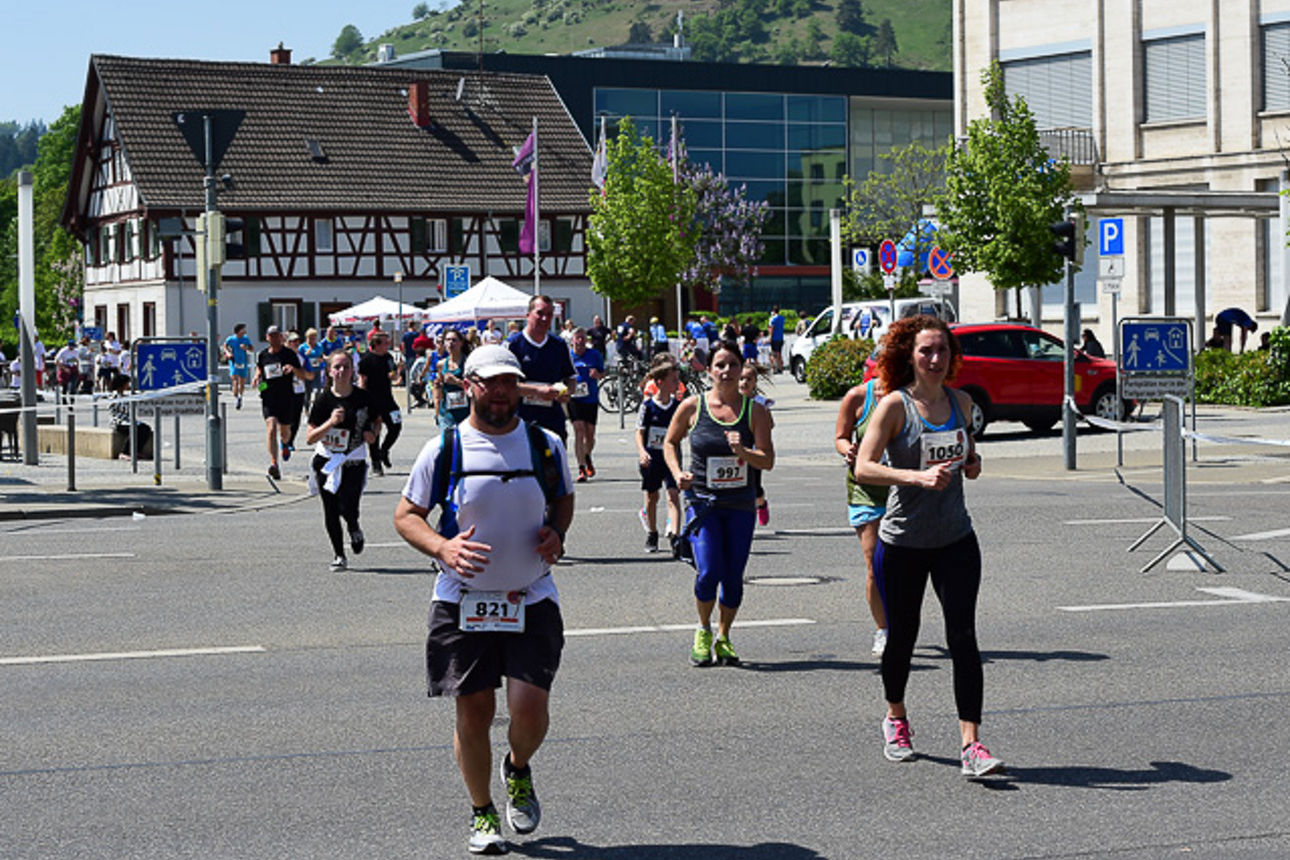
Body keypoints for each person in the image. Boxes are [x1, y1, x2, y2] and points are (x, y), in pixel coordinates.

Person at [394, 344, 574, 857]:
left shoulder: (544, 445)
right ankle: (482, 812)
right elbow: (406, 515)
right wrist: (442, 546)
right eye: (490, 381)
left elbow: (563, 497)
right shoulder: (445, 448)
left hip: (531, 594)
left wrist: (558, 533)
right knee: (474, 711)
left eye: (509, 382)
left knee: (530, 709)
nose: (500, 391)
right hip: (461, 598)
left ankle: (517, 768)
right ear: (468, 384)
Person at [853, 315, 1002, 779]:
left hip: (956, 538)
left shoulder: (960, 401)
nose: (936, 359)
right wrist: (914, 476)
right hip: (903, 542)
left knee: (964, 638)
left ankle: (971, 744)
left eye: (943, 351)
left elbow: (965, 457)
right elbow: (863, 467)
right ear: (909, 357)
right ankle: (896, 718)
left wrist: (972, 464)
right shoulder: (895, 407)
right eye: (926, 351)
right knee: (903, 638)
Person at [664, 339, 775, 668]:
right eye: (720, 365)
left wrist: (744, 452)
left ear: (743, 369)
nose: (727, 371)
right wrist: (677, 472)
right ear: (709, 370)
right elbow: (670, 443)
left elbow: (767, 461)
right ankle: (702, 629)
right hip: (703, 502)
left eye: (733, 365)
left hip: (740, 504)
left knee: (733, 576)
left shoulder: (756, 411)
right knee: (709, 569)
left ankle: (724, 636)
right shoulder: (692, 407)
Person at [306, 350, 380, 571]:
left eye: (346, 367)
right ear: (329, 372)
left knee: (348, 508)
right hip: (327, 461)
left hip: (353, 461)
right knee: (330, 509)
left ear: (352, 370)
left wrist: (373, 434)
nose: (341, 371)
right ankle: (339, 555)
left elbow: (377, 420)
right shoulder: (322, 400)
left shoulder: (363, 398)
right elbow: (310, 437)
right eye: (337, 367)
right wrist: (330, 423)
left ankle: (354, 526)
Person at [835, 377, 890, 657]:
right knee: (874, 565)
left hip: (903, 490)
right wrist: (849, 450)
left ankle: (900, 623)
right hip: (865, 490)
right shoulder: (858, 397)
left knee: (902, 567)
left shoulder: (911, 395)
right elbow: (841, 437)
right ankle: (883, 629)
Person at [509, 295, 577, 444]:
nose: (545, 319)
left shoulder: (558, 345)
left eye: (549, 314)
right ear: (528, 315)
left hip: (553, 422)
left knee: (553, 465)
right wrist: (537, 391)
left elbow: (570, 377)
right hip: (520, 421)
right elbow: (506, 385)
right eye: (540, 313)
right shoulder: (513, 345)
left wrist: (567, 393)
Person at [636, 354, 683, 553]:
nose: (678, 383)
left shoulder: (678, 406)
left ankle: (676, 536)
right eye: (674, 380)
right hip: (652, 457)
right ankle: (652, 532)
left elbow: (685, 429)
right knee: (652, 496)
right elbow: (639, 431)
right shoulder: (647, 407)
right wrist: (642, 452)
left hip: (671, 457)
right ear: (660, 382)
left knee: (673, 495)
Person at [252, 325, 304, 480]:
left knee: (285, 431)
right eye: (271, 336)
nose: (274, 338)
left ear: (281, 337)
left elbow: (301, 373)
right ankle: (274, 464)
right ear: (267, 337)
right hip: (268, 396)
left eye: (277, 335)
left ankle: (286, 444)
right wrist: (256, 377)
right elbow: (259, 368)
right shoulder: (263, 355)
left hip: (286, 397)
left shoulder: (289, 354)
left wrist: (292, 369)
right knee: (271, 427)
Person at [357, 331, 402, 476]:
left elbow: (393, 374)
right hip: (372, 400)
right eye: (384, 343)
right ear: (376, 345)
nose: (387, 345)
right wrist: (361, 399)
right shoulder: (366, 360)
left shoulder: (388, 357)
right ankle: (376, 463)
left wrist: (397, 373)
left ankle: (385, 450)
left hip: (387, 399)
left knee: (396, 425)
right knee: (374, 431)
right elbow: (362, 380)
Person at [738, 362, 774, 526]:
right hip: (738, 450)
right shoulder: (733, 401)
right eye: (741, 379)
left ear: (755, 382)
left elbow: (770, 424)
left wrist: (761, 420)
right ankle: (744, 516)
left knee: (755, 487)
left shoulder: (760, 402)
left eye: (749, 379)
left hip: (755, 451)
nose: (744, 382)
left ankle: (761, 503)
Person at [567, 326, 604, 482]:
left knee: (590, 435)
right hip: (574, 398)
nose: (580, 341)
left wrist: (598, 374)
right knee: (579, 431)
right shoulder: (568, 356)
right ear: (573, 341)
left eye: (583, 338)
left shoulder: (594, 355)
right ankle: (581, 468)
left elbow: (604, 373)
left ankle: (587, 455)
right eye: (578, 338)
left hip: (591, 399)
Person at [284, 332, 316, 456]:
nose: (295, 344)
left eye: (297, 341)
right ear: (287, 343)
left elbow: (311, 375)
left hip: (299, 390)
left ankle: (290, 441)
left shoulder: (302, 357)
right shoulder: (282, 356)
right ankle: (284, 439)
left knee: (296, 418)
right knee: (286, 417)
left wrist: (300, 372)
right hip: (285, 391)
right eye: (292, 341)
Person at [107, 373, 152, 459]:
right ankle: (124, 452)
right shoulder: (114, 395)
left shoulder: (125, 395)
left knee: (145, 428)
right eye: (127, 383)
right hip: (119, 422)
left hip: (128, 420)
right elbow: (120, 409)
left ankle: (136, 450)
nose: (128, 385)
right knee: (135, 429)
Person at [434, 329, 472, 428]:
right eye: (447, 340)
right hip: (447, 411)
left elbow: (475, 387)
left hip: (466, 411)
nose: (450, 343)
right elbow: (438, 390)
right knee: (448, 441)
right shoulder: (441, 364)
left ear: (461, 343)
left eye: (454, 340)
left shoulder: (469, 362)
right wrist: (437, 411)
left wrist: (457, 382)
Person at [223, 323, 255, 410]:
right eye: (243, 329)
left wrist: (246, 348)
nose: (245, 331)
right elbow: (225, 345)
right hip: (234, 361)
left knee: (242, 382)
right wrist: (228, 353)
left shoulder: (246, 338)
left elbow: (252, 348)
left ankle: (240, 396)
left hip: (242, 362)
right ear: (238, 331)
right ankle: (236, 397)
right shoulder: (231, 339)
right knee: (235, 381)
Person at [299, 328, 326, 409]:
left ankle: (316, 407)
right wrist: (305, 355)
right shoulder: (302, 347)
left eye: (314, 338)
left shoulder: (319, 346)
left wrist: (321, 360)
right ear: (306, 337)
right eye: (310, 338)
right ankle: (306, 408)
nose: (312, 340)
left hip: (317, 370)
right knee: (308, 392)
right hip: (307, 372)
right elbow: (299, 359)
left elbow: (321, 355)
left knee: (318, 390)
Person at [768, 306, 786, 373]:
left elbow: (771, 328)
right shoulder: (782, 318)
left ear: (773, 311)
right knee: (779, 353)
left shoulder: (772, 319)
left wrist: (770, 337)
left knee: (773, 354)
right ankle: (780, 367)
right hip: (780, 338)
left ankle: (774, 368)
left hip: (774, 338)